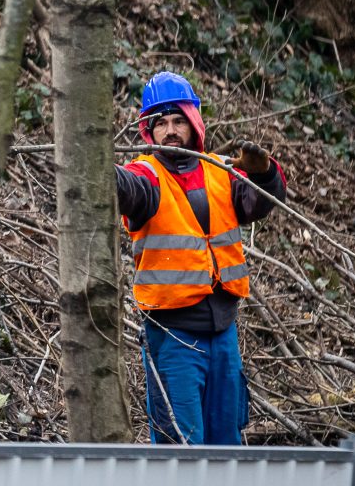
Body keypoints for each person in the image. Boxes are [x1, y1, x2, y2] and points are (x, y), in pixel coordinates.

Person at [115, 71, 287, 445]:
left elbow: (260, 202)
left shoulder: (219, 169)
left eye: (178, 120)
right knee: (181, 448)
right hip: (173, 339)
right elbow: (127, 189)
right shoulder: (145, 174)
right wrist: (100, 171)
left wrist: (266, 174)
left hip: (224, 334)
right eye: (160, 123)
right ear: (149, 131)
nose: (171, 131)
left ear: (193, 122)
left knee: (227, 444)